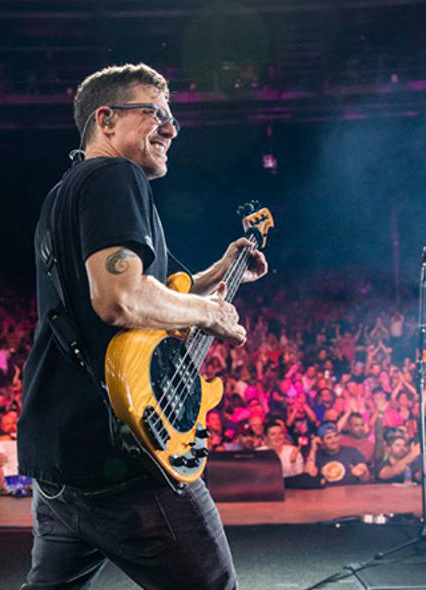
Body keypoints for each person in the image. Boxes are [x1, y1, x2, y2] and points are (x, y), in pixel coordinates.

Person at [19, 63, 266, 590]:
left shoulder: (63, 193)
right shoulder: (116, 176)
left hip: (62, 457)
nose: (172, 128)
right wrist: (211, 313)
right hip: (126, 455)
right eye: (156, 113)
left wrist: (219, 274)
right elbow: (121, 298)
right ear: (106, 119)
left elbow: (153, 290)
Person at [304, 422, 371, 485]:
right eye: (329, 438)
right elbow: (308, 478)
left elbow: (366, 479)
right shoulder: (317, 455)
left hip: (350, 491)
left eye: (336, 436)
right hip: (326, 492)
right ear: (322, 441)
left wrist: (362, 474)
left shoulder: (352, 451)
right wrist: (313, 450)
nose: (334, 440)